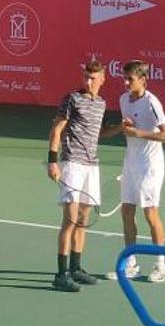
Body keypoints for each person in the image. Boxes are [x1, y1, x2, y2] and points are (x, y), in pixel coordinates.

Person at [47, 60, 121, 292]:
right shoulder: (72, 99)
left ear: (102, 79)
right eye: (86, 77)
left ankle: (76, 268)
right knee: (69, 220)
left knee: (83, 219)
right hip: (72, 164)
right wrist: (52, 161)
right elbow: (57, 129)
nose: (88, 82)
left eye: (93, 78)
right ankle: (61, 274)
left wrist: (121, 128)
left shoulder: (100, 103)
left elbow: (99, 133)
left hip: (92, 166)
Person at [108, 60, 165, 283]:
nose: (126, 83)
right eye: (124, 78)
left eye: (130, 79)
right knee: (126, 212)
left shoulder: (152, 102)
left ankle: (161, 265)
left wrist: (139, 133)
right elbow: (129, 127)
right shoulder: (123, 99)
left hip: (150, 166)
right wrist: (126, 127)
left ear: (143, 80)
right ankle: (132, 263)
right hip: (130, 163)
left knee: (150, 214)